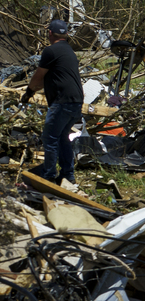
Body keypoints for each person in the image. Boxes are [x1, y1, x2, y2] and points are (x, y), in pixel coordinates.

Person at [20, 19, 84, 186]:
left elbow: (38, 78)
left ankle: (48, 176)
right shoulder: (69, 51)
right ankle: (68, 175)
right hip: (76, 101)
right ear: (66, 34)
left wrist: (28, 92)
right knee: (62, 137)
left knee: (49, 137)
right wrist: (34, 89)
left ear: (49, 33)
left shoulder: (50, 51)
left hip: (62, 102)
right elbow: (49, 79)